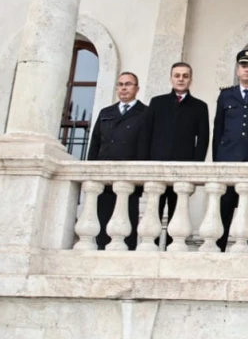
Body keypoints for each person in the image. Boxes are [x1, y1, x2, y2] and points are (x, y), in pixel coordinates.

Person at [212, 49, 248, 250]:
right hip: (228, 158)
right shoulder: (226, 95)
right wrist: (216, 161)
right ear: (238, 70)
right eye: (244, 66)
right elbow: (218, 129)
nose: (247, 69)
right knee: (224, 207)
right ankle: (218, 248)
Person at [87, 71, 150, 249]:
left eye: (128, 84)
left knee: (126, 225)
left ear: (136, 88)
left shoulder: (145, 113)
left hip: (130, 179)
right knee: (103, 224)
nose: (124, 88)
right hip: (105, 178)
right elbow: (95, 144)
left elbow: (147, 147)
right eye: (121, 84)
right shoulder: (106, 112)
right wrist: (91, 173)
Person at [147, 62, 210, 227]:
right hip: (157, 167)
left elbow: (203, 140)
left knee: (178, 215)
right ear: (171, 78)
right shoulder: (157, 102)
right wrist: (146, 163)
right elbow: (146, 134)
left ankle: (171, 250)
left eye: (185, 76)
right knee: (153, 213)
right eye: (177, 75)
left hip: (183, 168)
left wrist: (195, 168)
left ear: (190, 80)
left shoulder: (200, 106)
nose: (181, 79)